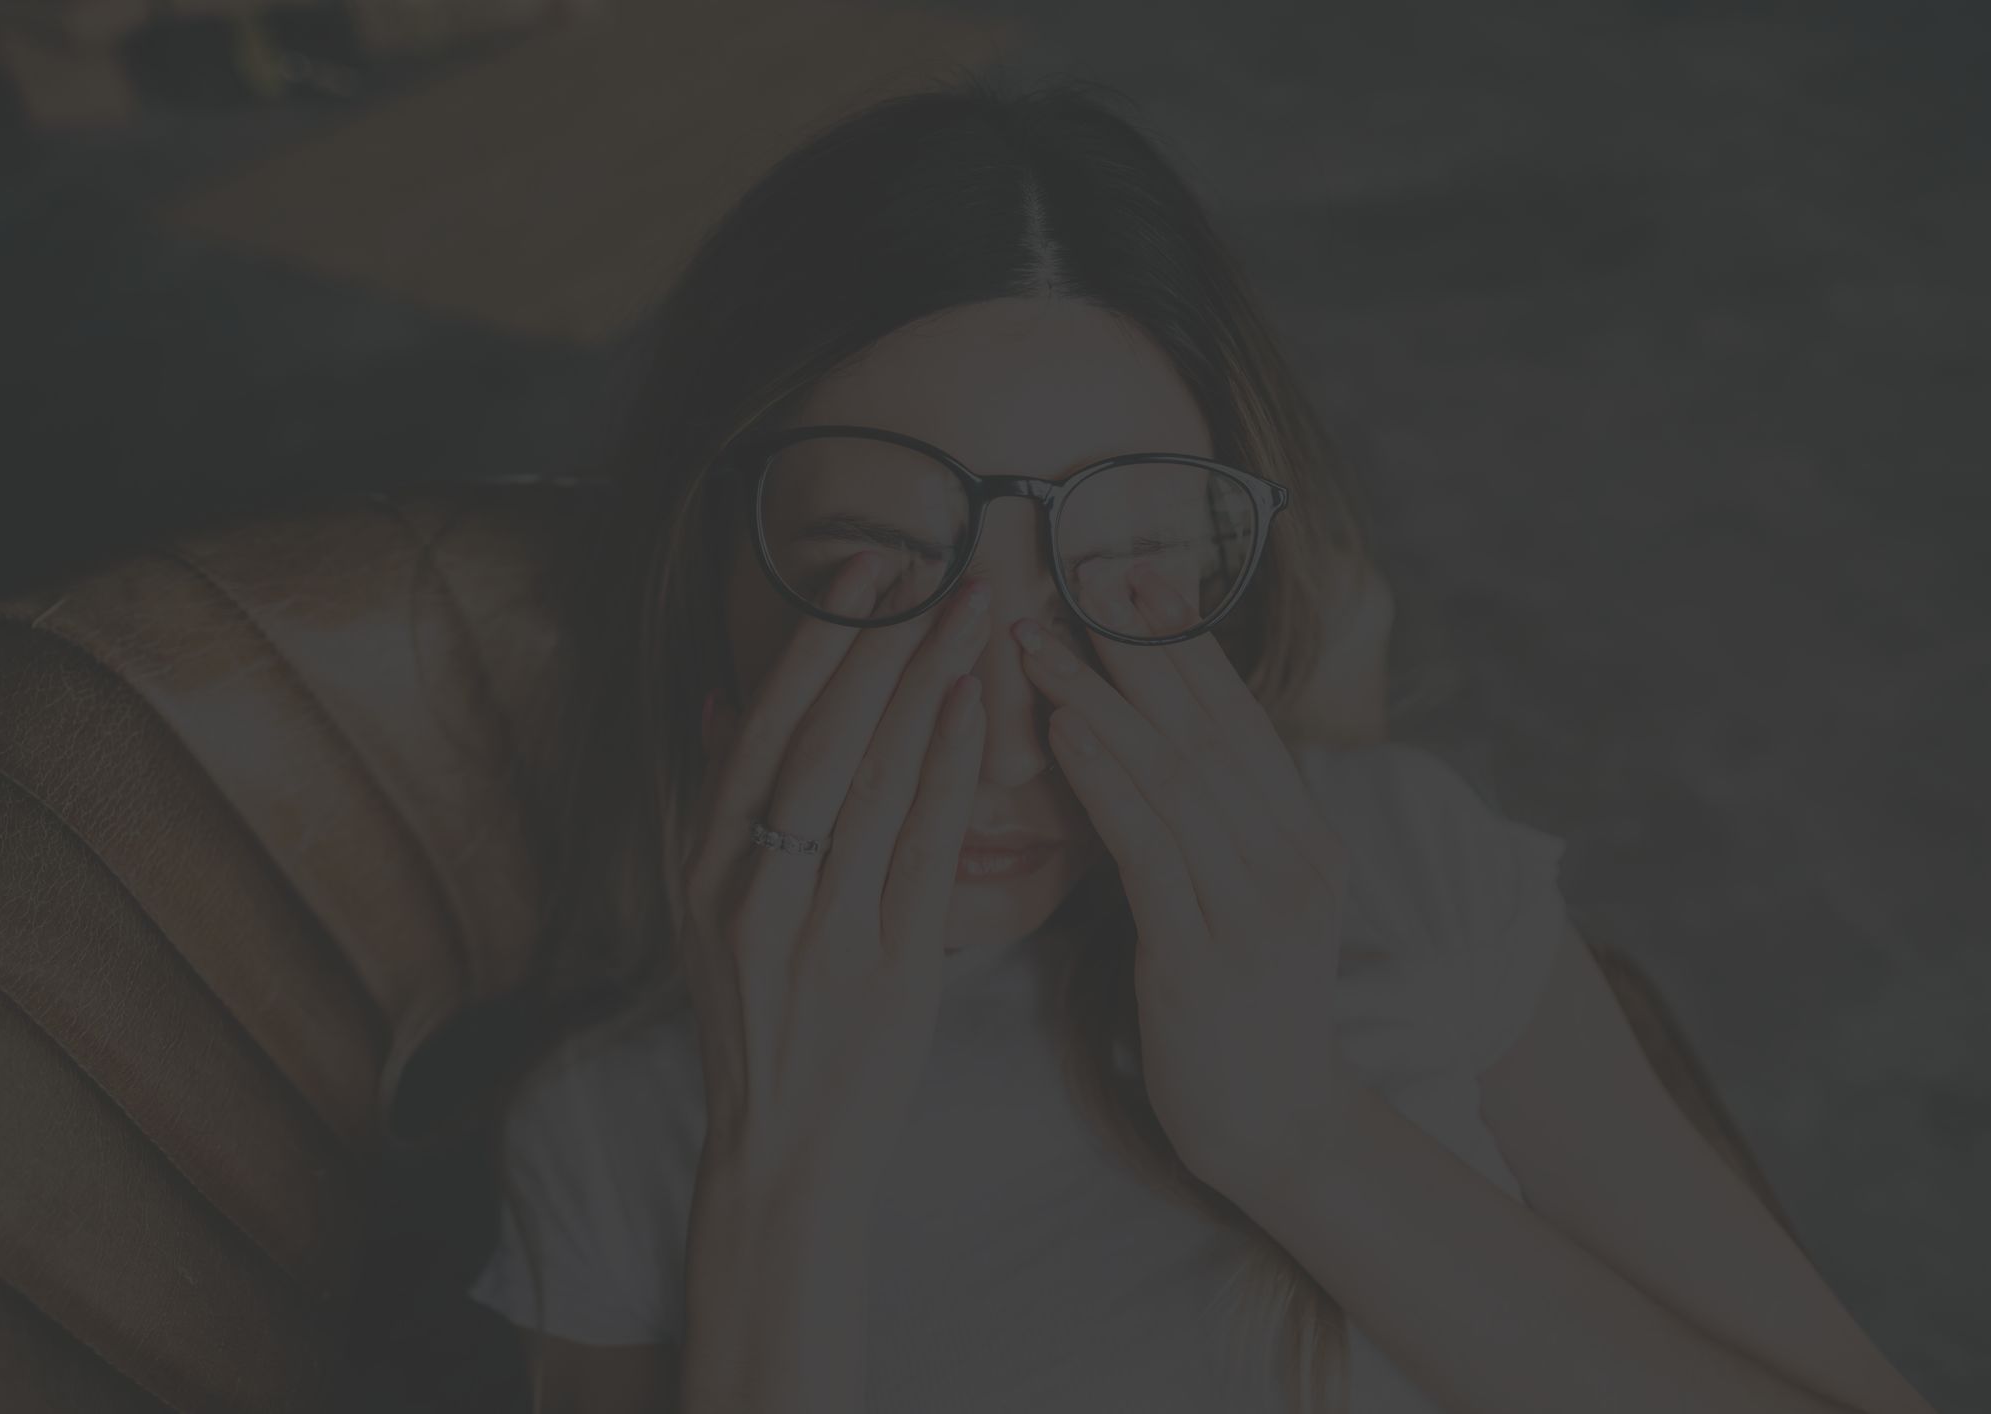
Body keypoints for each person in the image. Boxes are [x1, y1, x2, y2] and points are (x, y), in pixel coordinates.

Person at [465, 76, 1938, 1414]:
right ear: (707, 591)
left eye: (1120, 580)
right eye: (882, 585)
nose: (998, 745)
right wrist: (778, 1169)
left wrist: (1299, 1131)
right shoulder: (611, 1140)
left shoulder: (1401, 860)